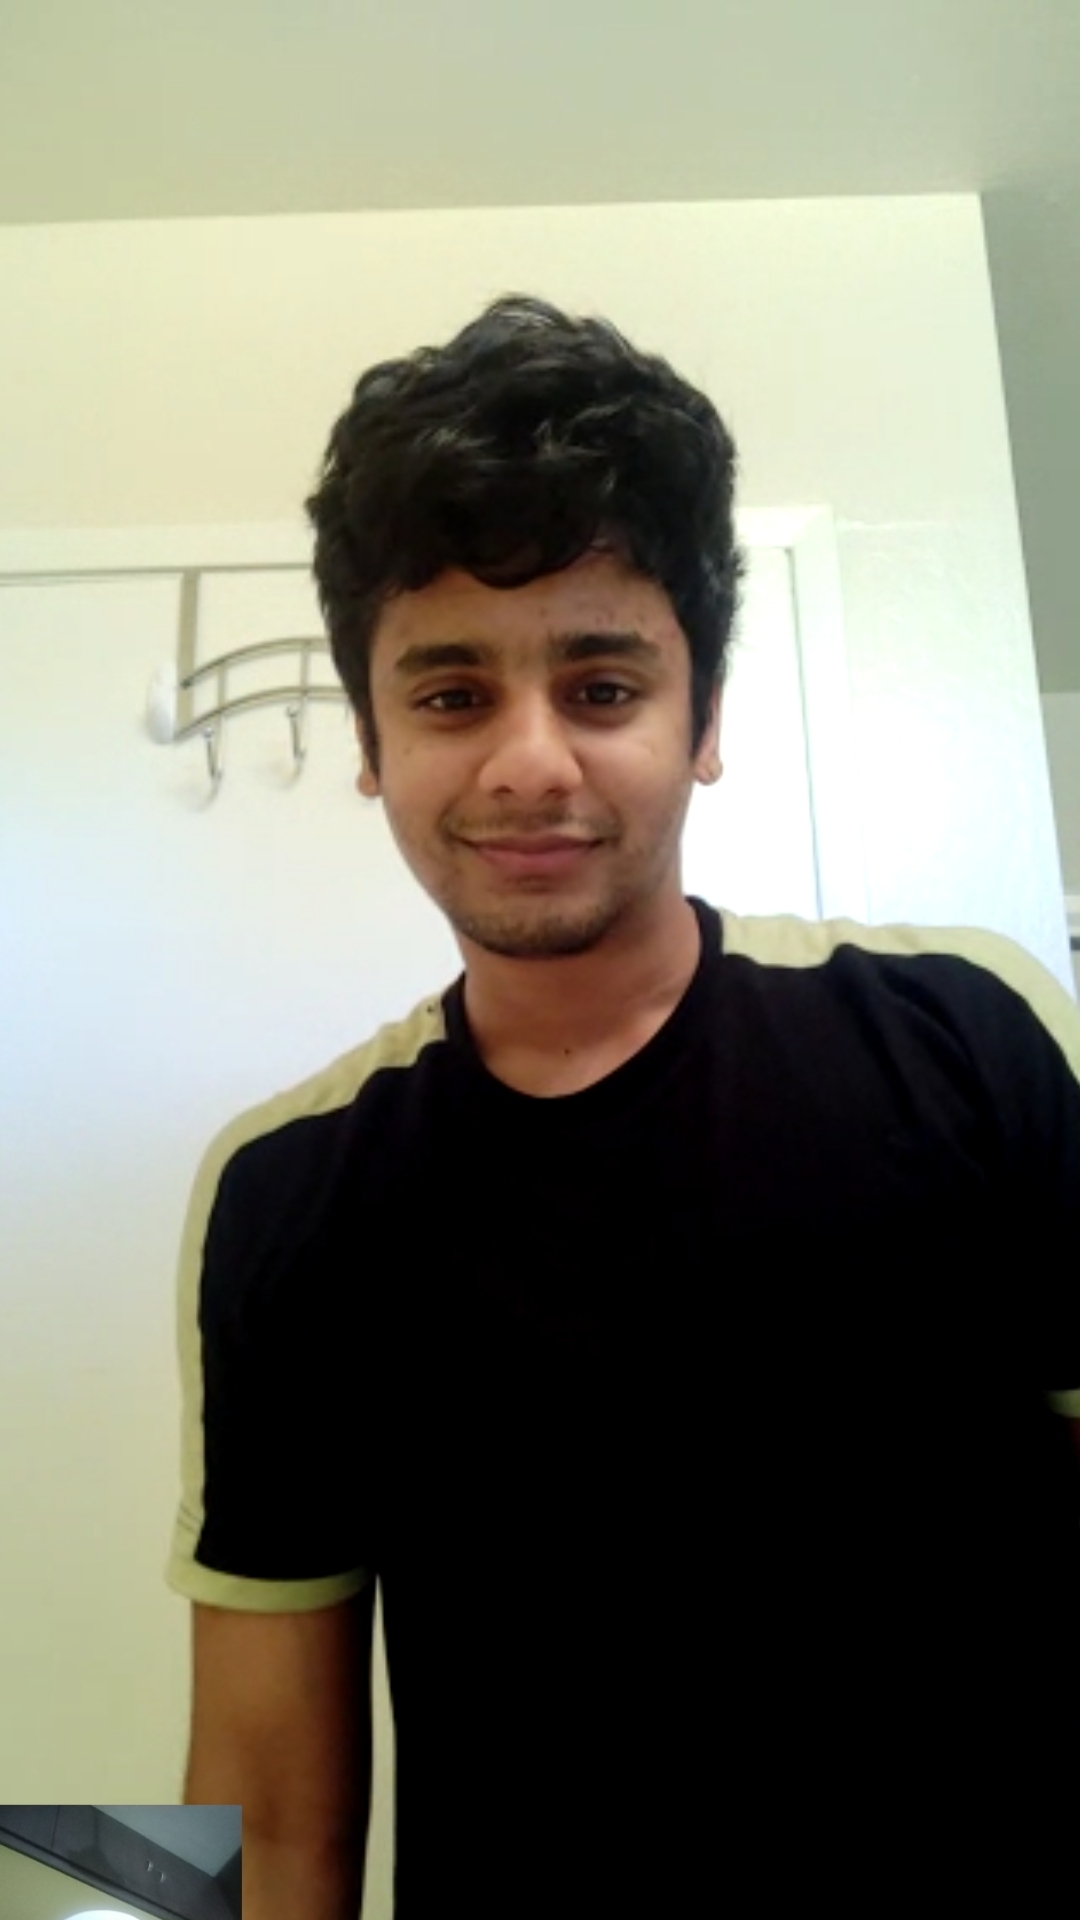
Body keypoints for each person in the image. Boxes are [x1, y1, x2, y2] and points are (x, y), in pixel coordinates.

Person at [169, 294, 1080, 1916]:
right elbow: (268, 1803)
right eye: (452, 696)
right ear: (371, 741)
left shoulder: (965, 1037)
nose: (530, 763)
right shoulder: (288, 1193)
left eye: (600, 688)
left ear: (704, 721)